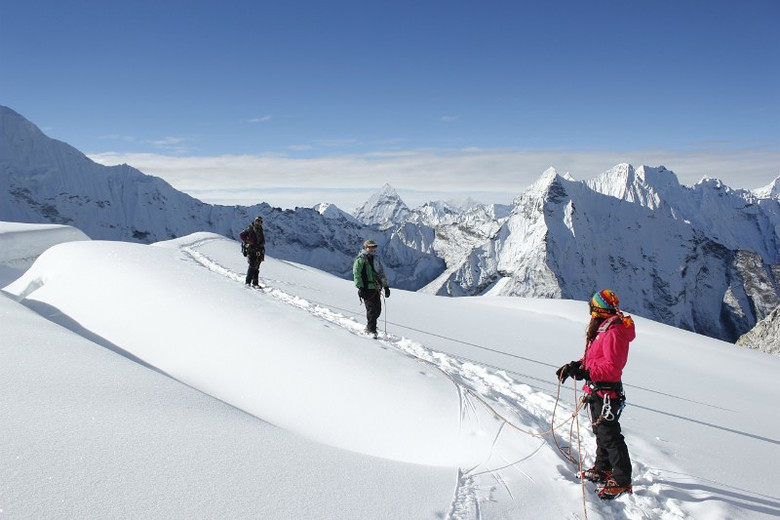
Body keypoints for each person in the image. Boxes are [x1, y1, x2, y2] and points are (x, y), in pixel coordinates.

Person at [556, 289, 635, 500]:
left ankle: (622, 479)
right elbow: (596, 359)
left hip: (607, 390)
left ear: (598, 309)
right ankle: (603, 468)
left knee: (610, 435)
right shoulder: (604, 329)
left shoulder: (613, 332)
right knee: (601, 432)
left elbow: (612, 367)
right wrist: (576, 366)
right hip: (598, 389)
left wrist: (585, 372)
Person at [353, 239, 390, 338]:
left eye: (374, 247)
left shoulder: (376, 259)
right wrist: (360, 287)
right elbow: (357, 274)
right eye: (370, 247)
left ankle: (371, 326)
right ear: (365, 247)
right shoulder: (360, 260)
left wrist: (386, 286)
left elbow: (381, 273)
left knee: (377, 310)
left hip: (376, 288)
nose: (372, 249)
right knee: (372, 310)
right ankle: (371, 329)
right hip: (366, 288)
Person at [239, 216, 266, 287]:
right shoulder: (250, 228)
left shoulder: (260, 230)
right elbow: (241, 235)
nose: (259, 222)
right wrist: (247, 241)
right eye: (257, 221)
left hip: (259, 250)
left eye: (260, 221)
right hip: (251, 250)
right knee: (252, 266)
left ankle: (255, 283)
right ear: (255, 221)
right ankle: (248, 282)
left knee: (256, 267)